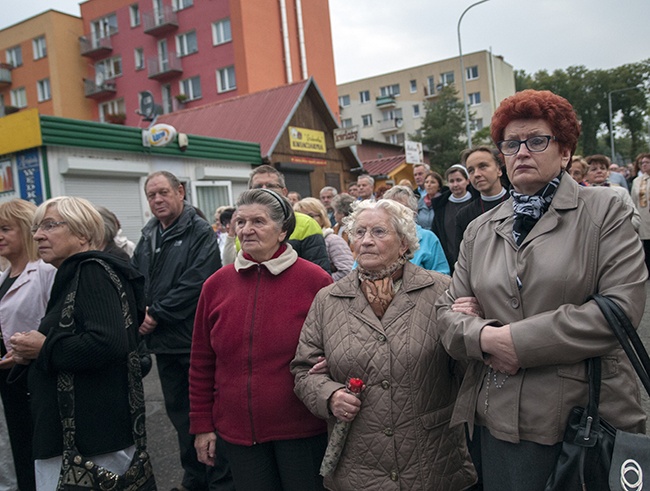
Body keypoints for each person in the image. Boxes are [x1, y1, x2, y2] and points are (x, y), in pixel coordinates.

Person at [435, 89, 647, 490]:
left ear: (564, 151)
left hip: (581, 418)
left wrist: (511, 340)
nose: (521, 153)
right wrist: (481, 335)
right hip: (494, 417)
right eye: (511, 144)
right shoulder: (480, 229)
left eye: (537, 141)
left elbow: (620, 310)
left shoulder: (604, 210)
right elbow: (446, 316)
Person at [291, 199, 477, 490]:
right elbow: (304, 370)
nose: (365, 241)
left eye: (378, 232)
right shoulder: (328, 299)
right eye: (359, 232)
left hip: (430, 457)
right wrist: (329, 395)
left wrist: (470, 328)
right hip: (358, 458)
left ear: (404, 243)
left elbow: (467, 368)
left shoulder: (441, 289)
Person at [190, 189, 332, 491]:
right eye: (240, 221)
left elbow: (337, 349)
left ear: (283, 230)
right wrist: (202, 425)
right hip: (239, 433)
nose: (246, 229)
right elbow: (202, 361)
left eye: (258, 221)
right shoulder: (216, 285)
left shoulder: (315, 280)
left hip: (302, 429)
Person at [9, 196, 148, 490]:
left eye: (49, 226)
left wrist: (44, 348)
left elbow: (108, 343)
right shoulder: (77, 273)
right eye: (35, 228)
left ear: (82, 232)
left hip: (89, 441)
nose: (37, 236)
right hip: (86, 437)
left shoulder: (91, 271)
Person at [131, 171, 231, 491]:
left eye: (163, 192)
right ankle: (194, 478)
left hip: (190, 340)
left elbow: (198, 283)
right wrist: (139, 313)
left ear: (180, 191)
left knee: (204, 416)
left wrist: (156, 314)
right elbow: (137, 278)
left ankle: (217, 481)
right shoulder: (149, 233)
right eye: (151, 195)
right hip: (164, 343)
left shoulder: (198, 230)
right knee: (180, 417)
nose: (157, 200)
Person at [0, 199, 56, 491]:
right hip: (7, 380)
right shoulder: (3, 277)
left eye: (5, 229)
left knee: (36, 451)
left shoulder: (44, 272)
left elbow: (54, 324)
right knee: (15, 450)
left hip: (33, 378)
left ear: (24, 230)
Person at [222, 165, 331, 273]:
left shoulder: (307, 224)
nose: (264, 190)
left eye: (270, 186)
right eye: (258, 186)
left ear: (284, 192)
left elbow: (320, 275)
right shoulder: (244, 229)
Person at [384, 186, 450, 274]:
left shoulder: (428, 238)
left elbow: (443, 275)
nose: (397, 213)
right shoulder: (375, 239)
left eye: (402, 208)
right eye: (391, 209)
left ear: (414, 212)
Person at [455, 147, 509, 243]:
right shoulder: (464, 215)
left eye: (483, 166)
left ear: (499, 170)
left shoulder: (520, 205)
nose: (476, 174)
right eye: (471, 170)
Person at [294, 198, 354, 281]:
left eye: (310, 216)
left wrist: (322, 283)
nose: (306, 220)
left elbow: (347, 271)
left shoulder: (333, 240)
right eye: (301, 217)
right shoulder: (297, 242)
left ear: (322, 217)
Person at [431, 164, 475, 272]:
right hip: (450, 262)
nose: (455, 184)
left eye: (459, 180)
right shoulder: (441, 207)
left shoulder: (477, 202)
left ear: (467, 181)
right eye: (451, 181)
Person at [585, 154, 640, 231]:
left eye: (603, 168)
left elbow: (636, 219)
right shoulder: (583, 195)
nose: (599, 171)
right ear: (585, 175)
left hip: (618, 238)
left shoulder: (621, 192)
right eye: (594, 169)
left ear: (608, 172)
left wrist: (617, 224)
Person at [630, 152, 650, 272]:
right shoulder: (637, 181)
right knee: (646, 244)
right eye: (642, 163)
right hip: (644, 216)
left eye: (647, 162)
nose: (644, 165)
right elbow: (634, 199)